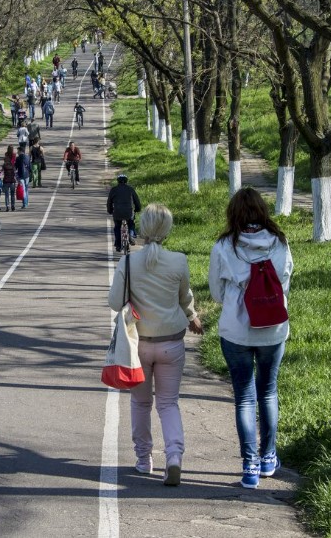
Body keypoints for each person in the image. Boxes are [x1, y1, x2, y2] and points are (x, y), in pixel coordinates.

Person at [108, 204, 203, 485]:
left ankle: (142, 459)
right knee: (168, 403)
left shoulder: (128, 263)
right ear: (167, 230)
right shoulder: (179, 261)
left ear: (143, 228)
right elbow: (184, 297)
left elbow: (115, 302)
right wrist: (192, 316)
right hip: (171, 344)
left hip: (138, 344)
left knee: (140, 403)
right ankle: (173, 457)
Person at [208, 187, 293, 490]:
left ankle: (250, 466)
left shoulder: (223, 246)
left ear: (233, 214)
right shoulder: (280, 243)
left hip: (236, 331)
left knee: (244, 396)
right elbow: (286, 281)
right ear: (262, 211)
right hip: (273, 330)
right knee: (268, 391)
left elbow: (217, 293)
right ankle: (269, 456)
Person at [107, 173, 142, 252]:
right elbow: (137, 201)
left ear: (118, 181)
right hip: (129, 212)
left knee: (117, 227)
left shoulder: (114, 190)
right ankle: (131, 235)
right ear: (126, 181)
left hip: (117, 212)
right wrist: (137, 209)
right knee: (131, 224)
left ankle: (118, 245)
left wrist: (110, 210)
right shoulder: (130, 189)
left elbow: (109, 202)